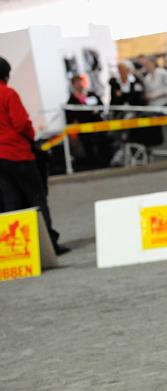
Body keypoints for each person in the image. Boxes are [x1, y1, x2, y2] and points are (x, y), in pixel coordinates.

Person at [0, 57, 68, 254]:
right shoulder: (8, 93)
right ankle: (48, 245)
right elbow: (21, 123)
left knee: (10, 202)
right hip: (17, 154)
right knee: (37, 198)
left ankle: (19, 249)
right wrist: (31, 138)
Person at [65, 74, 112, 170]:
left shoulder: (92, 95)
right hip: (84, 127)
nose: (80, 84)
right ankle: (93, 164)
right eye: (77, 83)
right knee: (88, 145)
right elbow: (69, 115)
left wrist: (97, 110)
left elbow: (101, 106)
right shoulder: (72, 100)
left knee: (102, 142)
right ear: (73, 85)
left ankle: (105, 161)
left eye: (81, 82)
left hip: (98, 124)